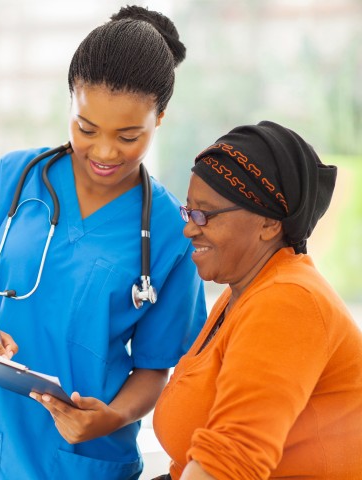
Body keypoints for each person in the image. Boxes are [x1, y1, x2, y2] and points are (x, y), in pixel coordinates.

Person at [0, 5, 207, 480]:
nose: (103, 152)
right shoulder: (11, 180)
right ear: (70, 104)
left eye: (128, 136)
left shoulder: (169, 231)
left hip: (82, 459)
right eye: (86, 127)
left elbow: (156, 369)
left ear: (159, 118)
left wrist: (114, 416)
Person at [152, 120, 362, 480]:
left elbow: (229, 464)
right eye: (189, 211)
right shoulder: (242, 290)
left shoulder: (288, 301)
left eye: (205, 214)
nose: (188, 228)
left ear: (269, 223)